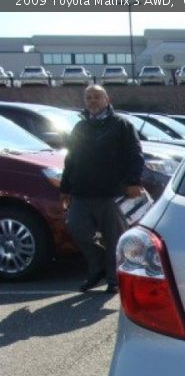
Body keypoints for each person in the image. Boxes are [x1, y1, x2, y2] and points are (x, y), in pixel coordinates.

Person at [60, 85, 145, 294]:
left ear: (108, 99)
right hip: (81, 192)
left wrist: (133, 181)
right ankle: (97, 268)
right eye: (88, 97)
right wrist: (65, 187)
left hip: (112, 193)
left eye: (97, 96)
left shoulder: (121, 125)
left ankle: (113, 278)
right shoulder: (80, 127)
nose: (92, 100)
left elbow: (135, 154)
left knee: (114, 237)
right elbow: (70, 159)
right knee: (78, 229)